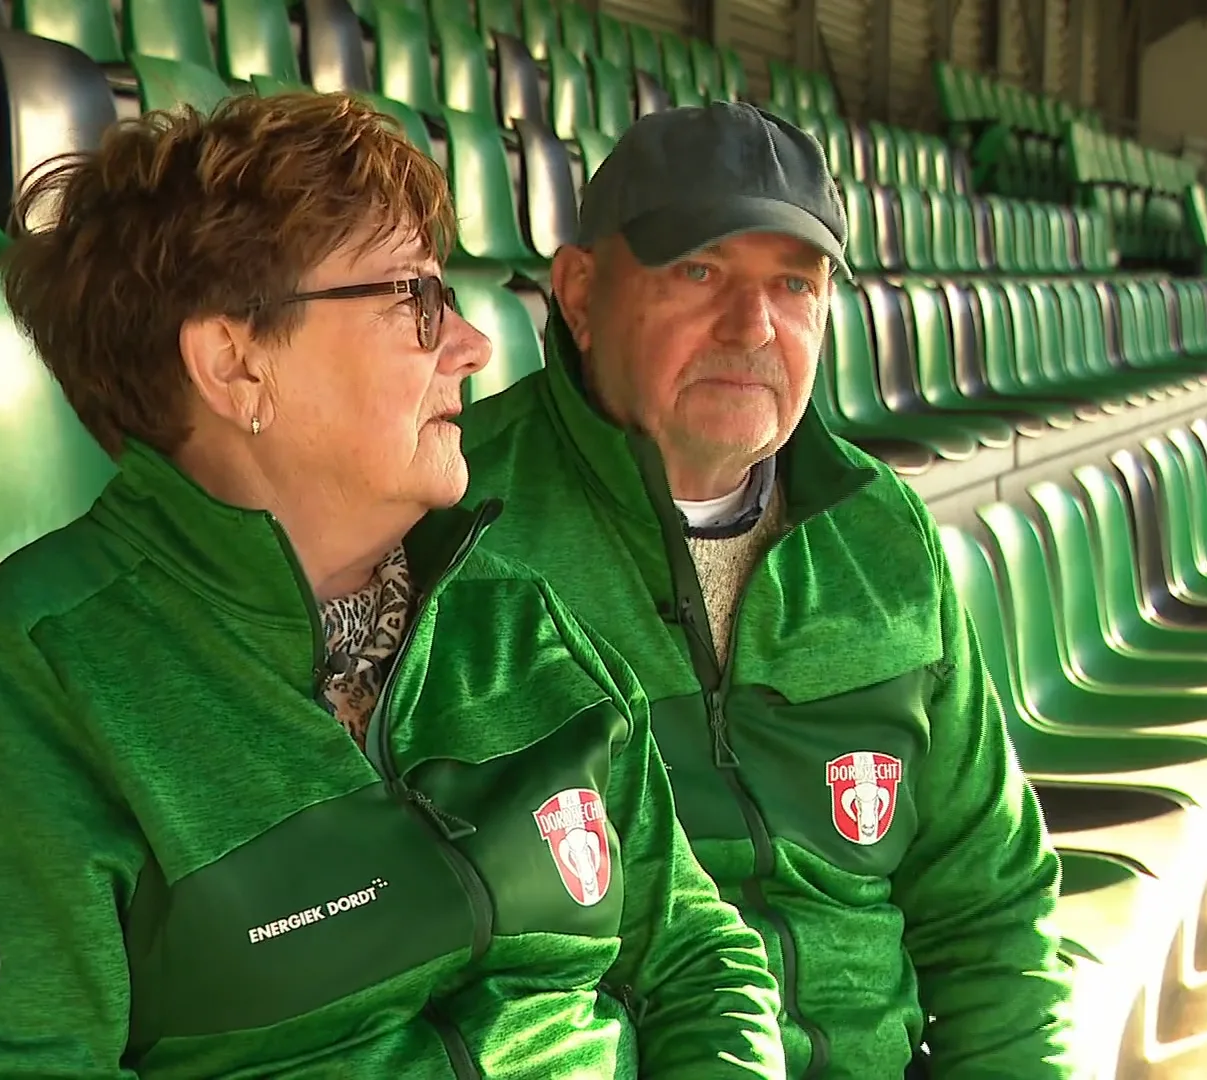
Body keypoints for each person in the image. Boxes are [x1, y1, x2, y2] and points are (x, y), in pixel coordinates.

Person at [0, 92, 783, 1078]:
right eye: (415, 300)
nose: (473, 347)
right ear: (235, 365)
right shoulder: (30, 687)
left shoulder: (514, 617)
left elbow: (700, 958)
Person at [455, 103, 1071, 1077]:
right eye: (699, 272)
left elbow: (989, 902)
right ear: (578, 294)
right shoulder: (457, 525)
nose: (753, 327)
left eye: (795, 284)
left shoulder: (880, 533)